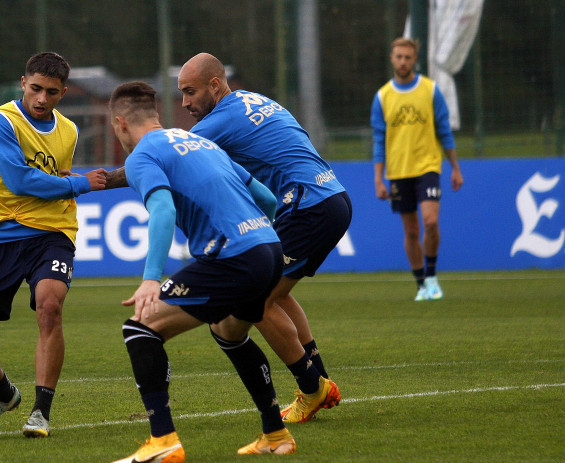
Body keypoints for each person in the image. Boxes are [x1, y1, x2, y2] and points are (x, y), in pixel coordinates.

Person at [105, 53, 349, 424]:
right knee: (274, 290)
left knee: (259, 299)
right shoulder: (252, 100)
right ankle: (318, 383)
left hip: (306, 204)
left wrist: (96, 181)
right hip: (331, 195)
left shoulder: (216, 122)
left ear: (215, 85)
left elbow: (164, 154)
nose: (184, 103)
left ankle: (312, 386)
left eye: (190, 92)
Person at [109, 81, 296, 462]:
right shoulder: (200, 142)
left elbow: (163, 210)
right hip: (269, 249)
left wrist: (151, 278)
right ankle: (276, 434)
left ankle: (163, 442)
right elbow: (267, 198)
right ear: (155, 115)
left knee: (140, 328)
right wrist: (260, 240)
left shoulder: (141, 156)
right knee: (229, 332)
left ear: (120, 124)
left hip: (234, 257)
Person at [0, 52, 107, 438]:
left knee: (49, 307)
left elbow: (56, 176)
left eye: (51, 92)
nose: (41, 99)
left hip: (53, 233)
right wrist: (80, 183)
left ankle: (41, 412)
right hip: (2, 235)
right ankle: (4, 393)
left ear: (63, 93)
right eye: (35, 88)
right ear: (23, 83)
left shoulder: (68, 130)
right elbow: (20, 181)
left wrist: (72, 183)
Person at [371, 38, 463, 301]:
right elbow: (379, 139)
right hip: (399, 171)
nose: (403, 62)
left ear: (415, 59)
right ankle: (421, 283)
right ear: (392, 57)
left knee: (430, 221)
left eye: (407, 57)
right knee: (411, 231)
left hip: (428, 167)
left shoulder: (430, 90)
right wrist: (378, 179)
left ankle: (432, 275)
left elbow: (444, 131)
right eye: (398, 56)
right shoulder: (382, 96)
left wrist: (455, 168)